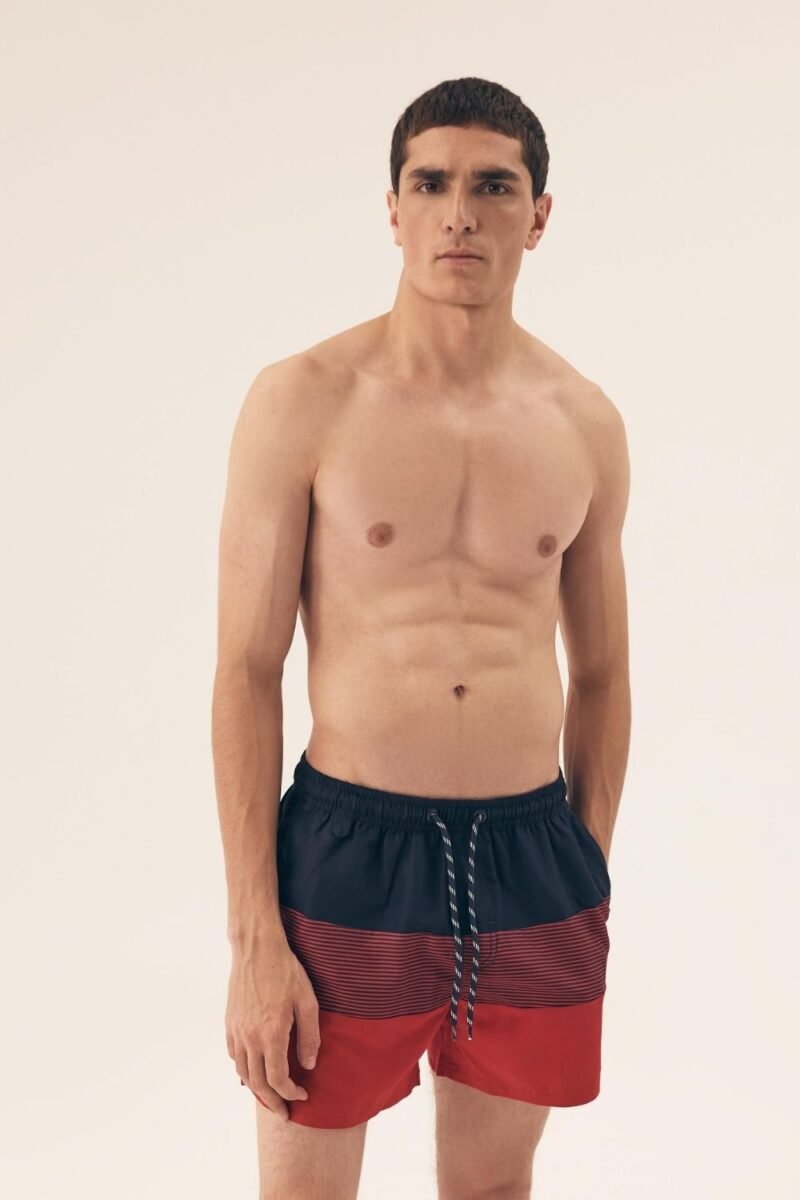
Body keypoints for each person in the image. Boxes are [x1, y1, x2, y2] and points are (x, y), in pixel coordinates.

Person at [212, 75, 630, 1200]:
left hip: (531, 856)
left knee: (492, 1190)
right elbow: (245, 672)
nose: (459, 215)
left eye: (493, 187)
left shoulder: (583, 421)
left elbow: (602, 675)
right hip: (349, 850)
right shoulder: (304, 400)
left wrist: (585, 868)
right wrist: (254, 937)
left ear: (537, 216)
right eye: (431, 183)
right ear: (391, 209)